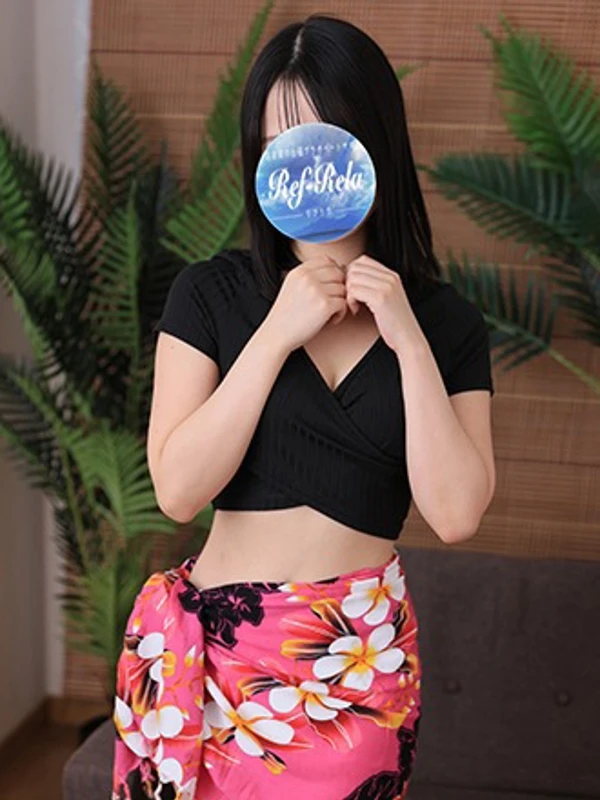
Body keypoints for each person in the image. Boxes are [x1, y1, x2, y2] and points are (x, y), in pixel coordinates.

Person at [111, 13, 495, 800]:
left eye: (325, 136)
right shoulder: (208, 295)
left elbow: (457, 512)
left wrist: (407, 338)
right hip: (212, 665)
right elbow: (178, 490)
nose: (303, 162)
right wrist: (275, 336)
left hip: (356, 667)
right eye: (278, 141)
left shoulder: (445, 321)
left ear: (375, 142)